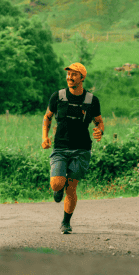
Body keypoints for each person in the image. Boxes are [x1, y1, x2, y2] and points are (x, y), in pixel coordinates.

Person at [42, 62, 104, 234]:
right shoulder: (58, 96)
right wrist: (45, 137)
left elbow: (99, 122)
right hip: (60, 147)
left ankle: (66, 222)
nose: (70, 77)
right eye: (68, 74)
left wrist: (100, 131)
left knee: (71, 188)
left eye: (74, 74)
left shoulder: (92, 100)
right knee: (56, 184)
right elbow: (47, 118)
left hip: (82, 149)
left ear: (82, 78)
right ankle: (57, 189)